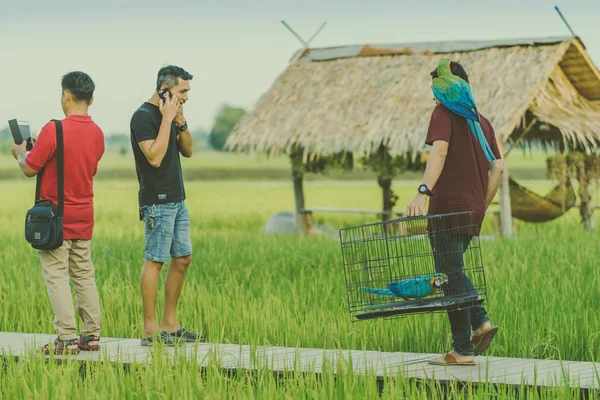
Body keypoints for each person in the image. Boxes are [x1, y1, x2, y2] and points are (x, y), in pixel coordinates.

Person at [406, 61, 504, 365]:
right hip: (473, 208)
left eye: (437, 88)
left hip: (447, 207)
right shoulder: (483, 122)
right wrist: (481, 205)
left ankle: (466, 343)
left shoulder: (443, 113)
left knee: (450, 275)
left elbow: (440, 151)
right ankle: (470, 336)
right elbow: (498, 168)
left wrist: (423, 192)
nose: (435, 97)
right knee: (453, 272)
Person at [12, 71, 105, 355]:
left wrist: (19, 152)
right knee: (83, 275)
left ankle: (65, 339)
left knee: (56, 276)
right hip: (83, 217)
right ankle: (90, 336)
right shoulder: (98, 133)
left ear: (66, 95)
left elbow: (30, 168)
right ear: (91, 99)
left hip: (56, 220)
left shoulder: (54, 130)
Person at [130, 65, 201, 346]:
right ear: (164, 89)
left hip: (178, 200)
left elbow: (188, 151)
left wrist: (179, 121)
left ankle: (170, 325)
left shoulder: (172, 116)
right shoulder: (143, 117)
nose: (186, 96)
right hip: (157, 202)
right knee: (155, 261)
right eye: (182, 91)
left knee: (183, 258)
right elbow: (155, 158)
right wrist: (166, 119)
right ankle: (150, 331)